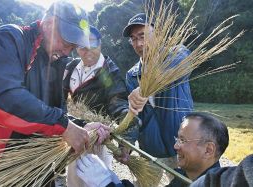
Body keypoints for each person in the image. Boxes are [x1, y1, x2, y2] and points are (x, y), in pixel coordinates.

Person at [0, 1, 111, 185]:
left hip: (40, 169)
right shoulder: (11, 38)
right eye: (66, 42)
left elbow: (54, 112)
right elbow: (5, 96)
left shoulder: (56, 62)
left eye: (73, 46)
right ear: (49, 24)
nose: (67, 51)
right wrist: (64, 126)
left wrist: (81, 125)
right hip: (2, 166)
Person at [119, 13, 194, 181]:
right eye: (133, 39)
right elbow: (135, 115)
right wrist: (126, 144)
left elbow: (182, 66)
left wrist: (144, 88)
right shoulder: (132, 74)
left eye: (142, 36)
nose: (138, 44)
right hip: (150, 149)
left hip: (181, 146)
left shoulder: (177, 54)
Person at [75, 112, 229, 187]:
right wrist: (115, 181)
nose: (175, 146)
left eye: (183, 140)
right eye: (177, 139)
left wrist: (105, 184)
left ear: (208, 150)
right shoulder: (185, 175)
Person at [62, 25, 130, 187]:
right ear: (76, 48)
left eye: (93, 45)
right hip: (73, 133)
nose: (88, 51)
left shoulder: (109, 71)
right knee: (73, 179)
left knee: (96, 181)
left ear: (100, 44)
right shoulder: (71, 67)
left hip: (96, 140)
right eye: (82, 47)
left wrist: (126, 138)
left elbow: (118, 103)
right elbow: (61, 96)